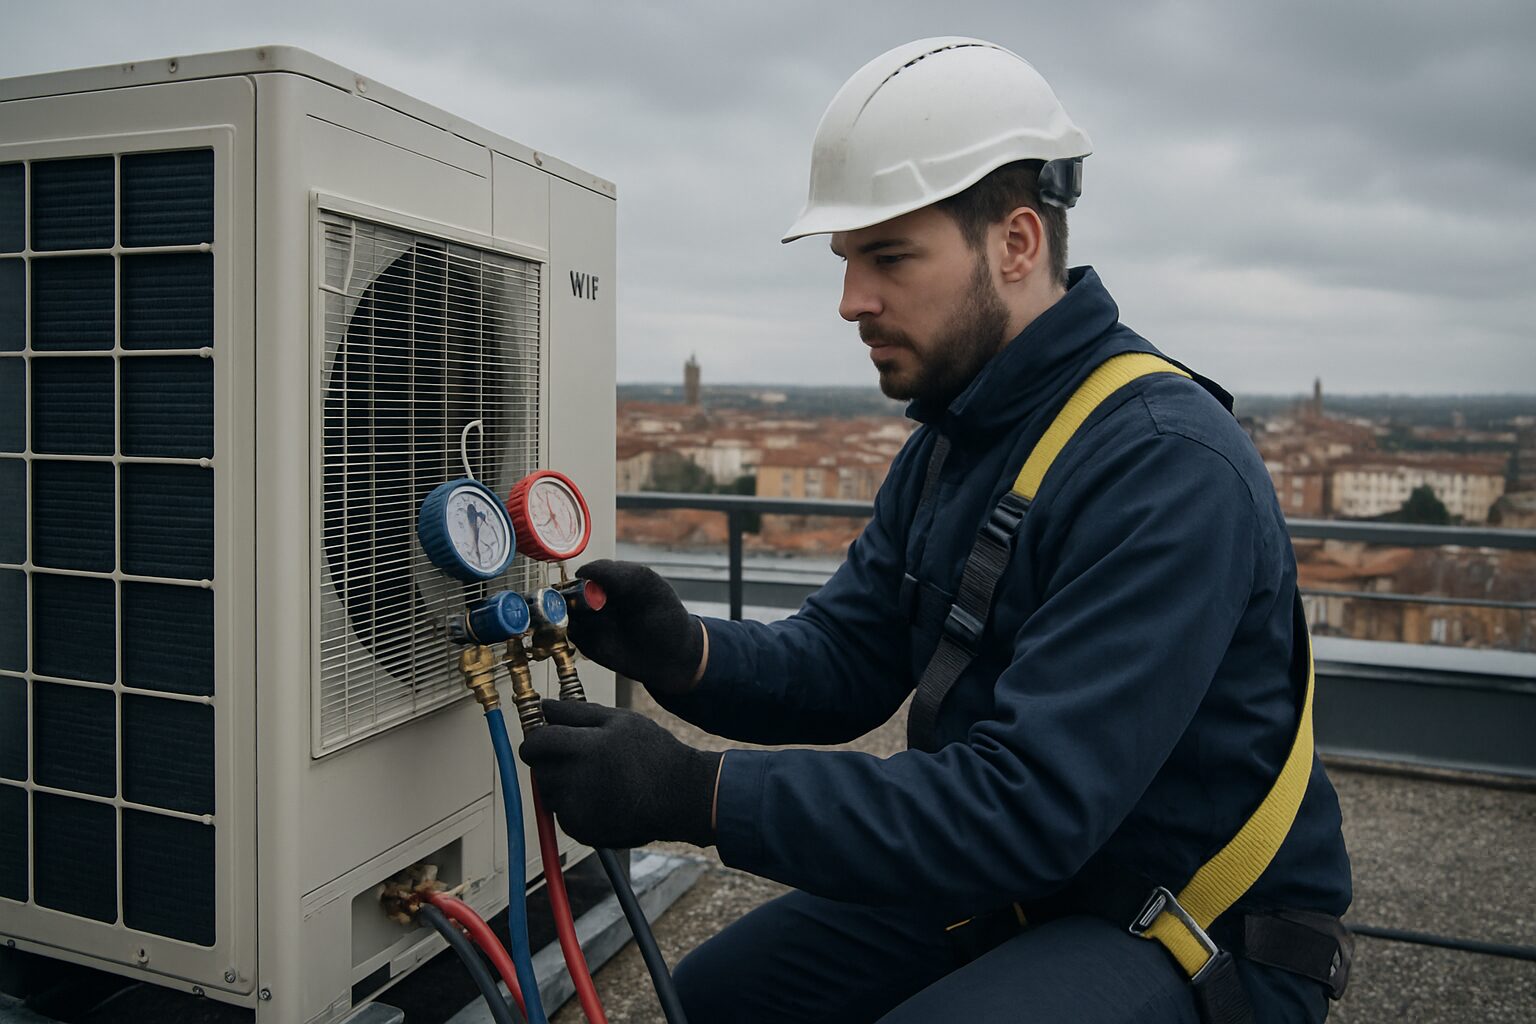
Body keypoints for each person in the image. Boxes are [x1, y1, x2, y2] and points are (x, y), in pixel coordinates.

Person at [521, 37, 1352, 1024]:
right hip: (1024, 878)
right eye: (846, 261)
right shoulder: (962, 435)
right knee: (707, 1001)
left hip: (1191, 921)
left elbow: (1025, 804)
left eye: (889, 256)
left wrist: (698, 794)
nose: (849, 301)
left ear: (1016, 243)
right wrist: (686, 651)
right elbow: (847, 657)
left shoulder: (1166, 466)